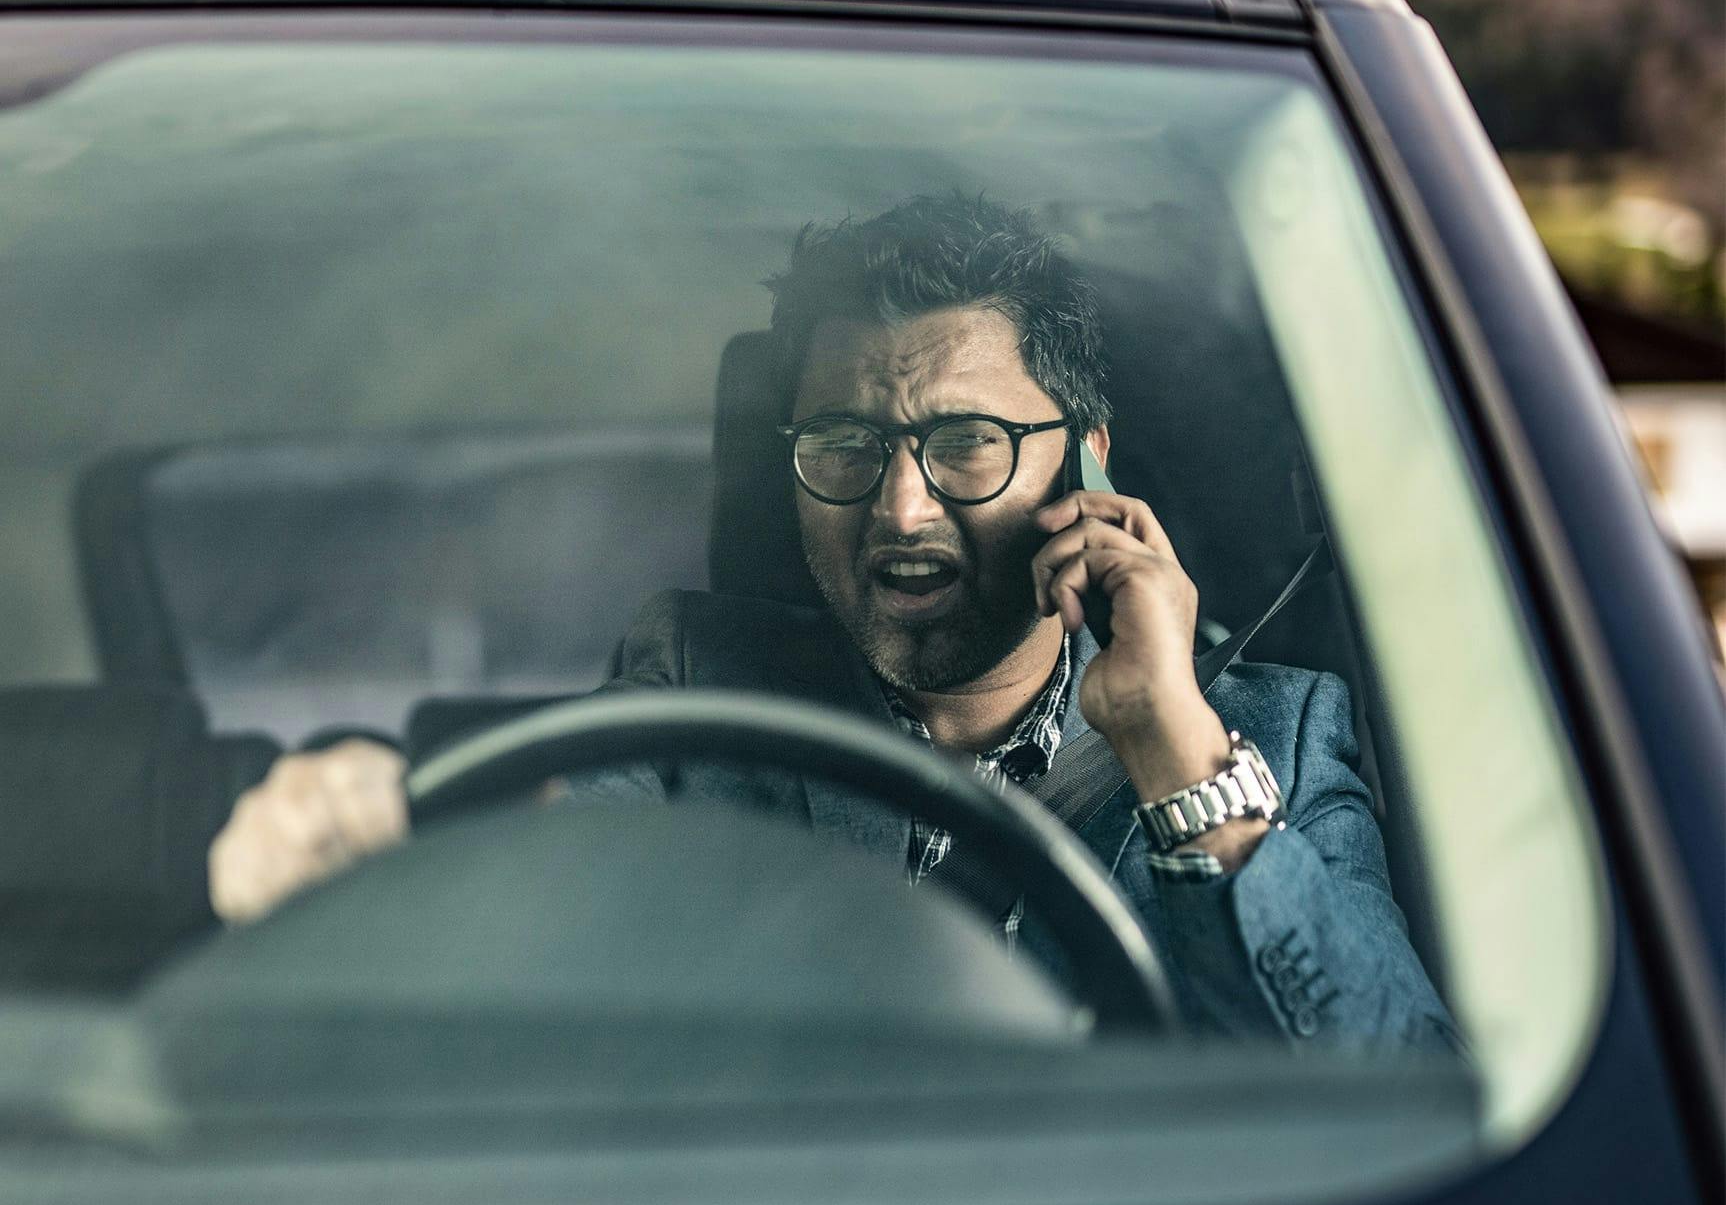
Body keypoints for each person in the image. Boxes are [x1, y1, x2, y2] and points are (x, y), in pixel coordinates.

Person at [208, 195, 1458, 1051]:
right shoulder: (699, 683)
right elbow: (548, 884)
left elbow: (1390, 1080)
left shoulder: (1272, 735)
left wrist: (1168, 744)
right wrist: (380, 860)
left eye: (965, 441)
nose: (899, 509)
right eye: (845, 444)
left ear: (1086, 462)